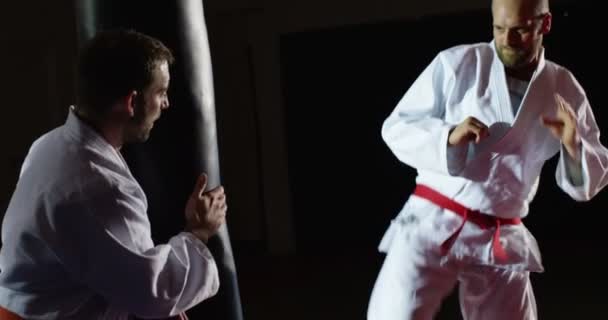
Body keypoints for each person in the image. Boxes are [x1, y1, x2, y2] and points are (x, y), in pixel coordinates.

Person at [367, 0, 608, 319]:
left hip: (501, 231)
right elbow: (396, 127)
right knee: (395, 313)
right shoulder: (459, 62)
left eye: (520, 29)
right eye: (499, 28)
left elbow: (587, 185)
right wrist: (448, 136)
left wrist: (573, 145)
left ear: (544, 24)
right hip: (432, 218)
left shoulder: (563, 88)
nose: (507, 40)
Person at [0, 29, 227, 319]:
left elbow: (93, 258)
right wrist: (199, 231)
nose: (166, 103)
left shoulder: (47, 145)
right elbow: (153, 295)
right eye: (161, 92)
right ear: (132, 102)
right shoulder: (100, 187)